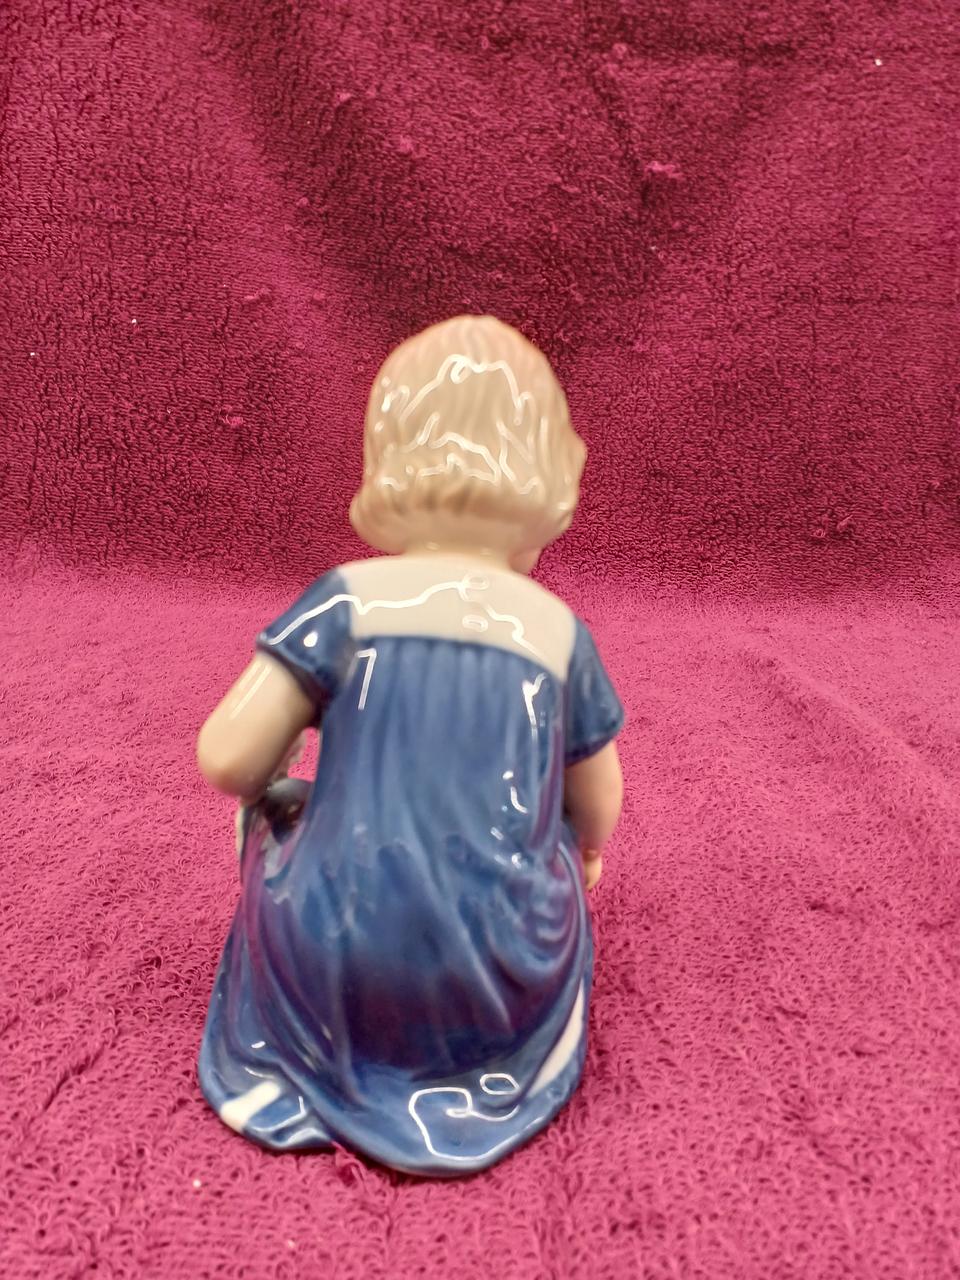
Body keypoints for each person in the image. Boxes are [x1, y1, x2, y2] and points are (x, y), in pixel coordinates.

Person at [195, 315, 624, 1174]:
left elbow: (229, 758)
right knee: (553, 873)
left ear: (385, 457)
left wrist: (283, 782)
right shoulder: (558, 632)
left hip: (332, 946)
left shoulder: (345, 601)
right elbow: (597, 798)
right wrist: (584, 852)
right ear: (549, 472)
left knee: (273, 815)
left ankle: (307, 1050)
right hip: (500, 972)